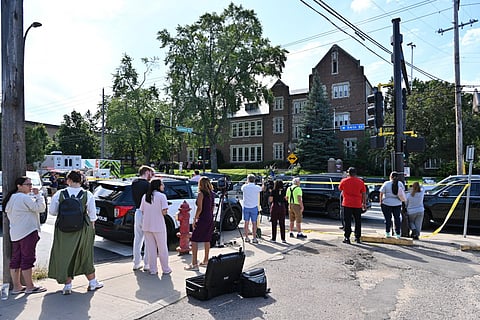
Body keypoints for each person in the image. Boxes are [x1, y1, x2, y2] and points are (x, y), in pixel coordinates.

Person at [48, 170, 103, 295]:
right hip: (82, 228)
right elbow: (93, 215)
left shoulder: (60, 194)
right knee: (85, 254)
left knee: (65, 255)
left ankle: (67, 285)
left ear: (68, 180)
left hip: (63, 229)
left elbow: (52, 212)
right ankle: (93, 282)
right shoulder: (87, 194)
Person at [3, 176, 47, 294]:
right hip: (28, 232)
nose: (30, 187)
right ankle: (29, 286)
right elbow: (40, 208)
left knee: (16, 259)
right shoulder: (23, 197)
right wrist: (39, 196)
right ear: (19, 186)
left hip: (15, 233)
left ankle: (17, 286)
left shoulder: (11, 198)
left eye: (31, 184)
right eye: (28, 184)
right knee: (28, 259)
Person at [140, 178, 172, 275]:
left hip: (147, 225)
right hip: (158, 225)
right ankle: (165, 269)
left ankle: (153, 269)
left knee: (151, 249)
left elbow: (142, 210)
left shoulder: (145, 196)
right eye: (162, 184)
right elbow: (164, 211)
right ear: (158, 186)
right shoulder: (162, 196)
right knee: (162, 248)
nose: (163, 186)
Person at [185, 176, 215, 271]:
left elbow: (199, 208)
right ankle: (206, 260)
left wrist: (195, 219)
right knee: (207, 239)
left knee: (194, 239)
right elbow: (212, 206)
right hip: (210, 217)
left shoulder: (201, 194)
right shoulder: (212, 194)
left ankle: (194, 264)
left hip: (203, 217)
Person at [132, 165, 155, 271]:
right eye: (151, 173)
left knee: (138, 238)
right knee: (148, 239)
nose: (151, 175)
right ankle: (147, 264)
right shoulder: (148, 185)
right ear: (146, 172)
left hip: (137, 212)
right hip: (147, 213)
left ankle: (136, 262)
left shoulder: (134, 183)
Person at [338, 167, 367, 244]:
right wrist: (364, 203)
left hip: (347, 203)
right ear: (355, 173)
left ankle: (347, 237)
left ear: (348, 173)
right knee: (358, 221)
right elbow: (363, 193)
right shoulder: (360, 182)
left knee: (347, 221)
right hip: (357, 204)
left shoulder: (344, 181)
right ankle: (357, 237)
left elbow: (340, 188)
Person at [379, 171, 406, 239]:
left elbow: (381, 192)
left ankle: (387, 233)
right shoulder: (400, 184)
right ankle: (398, 234)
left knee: (388, 219)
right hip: (397, 203)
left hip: (387, 203)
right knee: (397, 218)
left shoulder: (386, 183)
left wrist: (380, 201)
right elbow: (402, 192)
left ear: (390, 177)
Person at [241, 174, 263, 244]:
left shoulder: (244, 187)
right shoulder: (257, 187)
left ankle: (246, 237)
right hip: (254, 207)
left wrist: (246, 183)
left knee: (246, 223)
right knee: (254, 223)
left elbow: (242, 188)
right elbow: (262, 188)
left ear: (247, 180)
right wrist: (263, 183)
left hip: (246, 206)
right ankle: (254, 238)